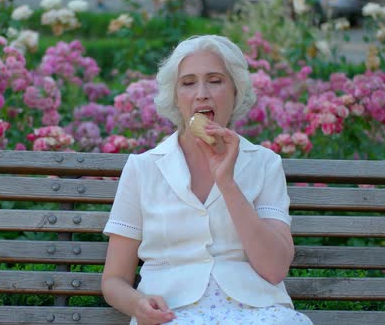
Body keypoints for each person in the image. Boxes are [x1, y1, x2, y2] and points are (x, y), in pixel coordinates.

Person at [101, 35, 314, 325]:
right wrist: (138, 304)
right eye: (188, 83)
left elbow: (275, 269)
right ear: (175, 97)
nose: (202, 93)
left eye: (215, 80)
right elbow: (114, 280)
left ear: (236, 91)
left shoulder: (265, 163)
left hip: (258, 312)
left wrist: (227, 182)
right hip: (173, 313)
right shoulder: (143, 168)